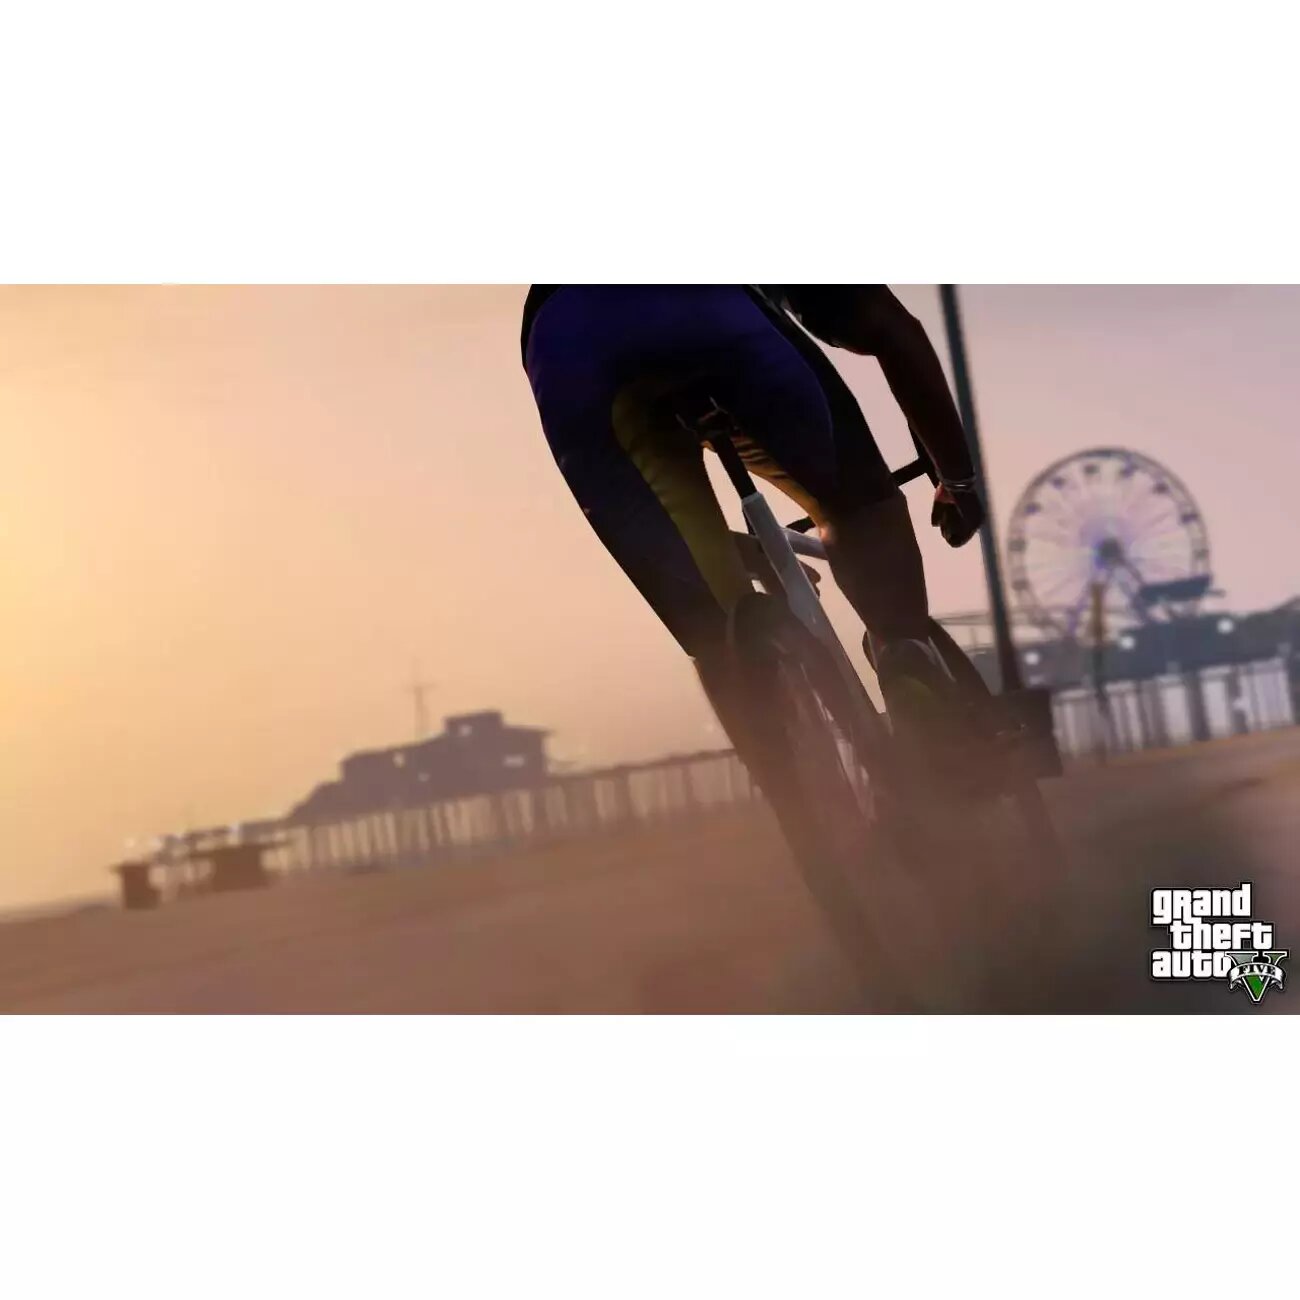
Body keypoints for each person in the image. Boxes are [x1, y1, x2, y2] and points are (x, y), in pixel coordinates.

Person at [519, 285, 986, 764]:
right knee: (857, 509)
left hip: (563, 346)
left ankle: (800, 798)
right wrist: (958, 478)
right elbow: (887, 327)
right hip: (710, 316)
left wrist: (720, 547)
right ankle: (910, 674)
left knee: (713, 631)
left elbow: (641, 527)